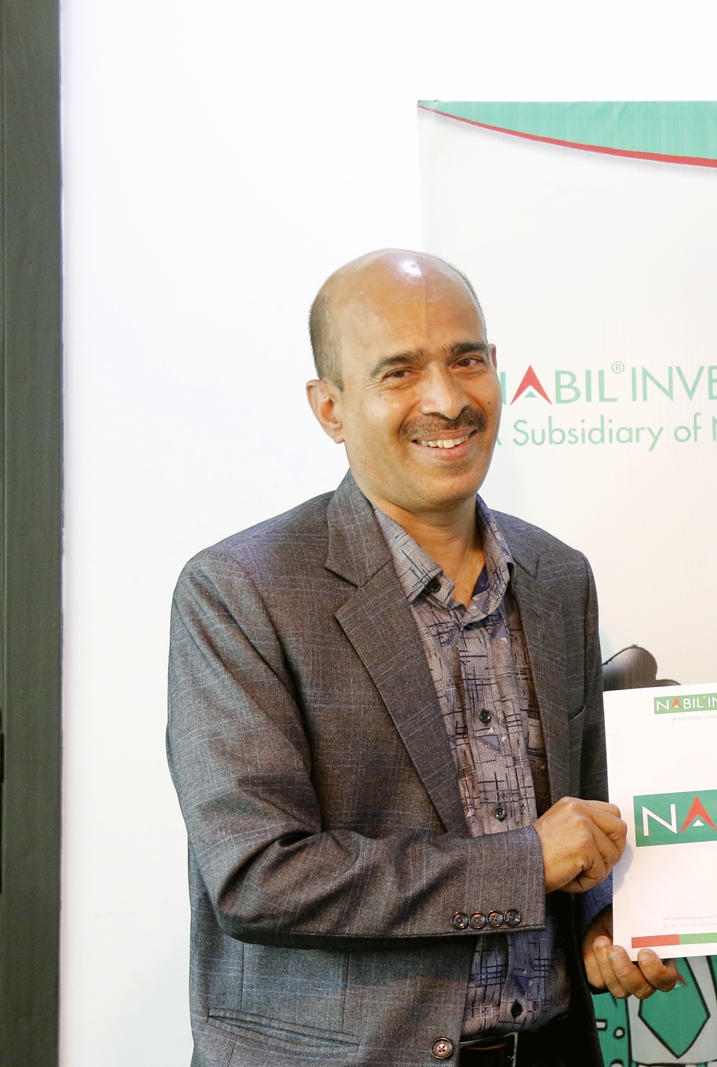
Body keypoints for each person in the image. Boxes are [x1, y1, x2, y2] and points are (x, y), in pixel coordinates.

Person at [167, 249, 677, 1067]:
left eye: (466, 359)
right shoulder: (241, 589)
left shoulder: (557, 575)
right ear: (330, 407)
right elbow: (258, 875)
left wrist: (605, 919)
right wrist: (523, 865)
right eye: (399, 371)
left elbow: (586, 813)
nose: (446, 398)